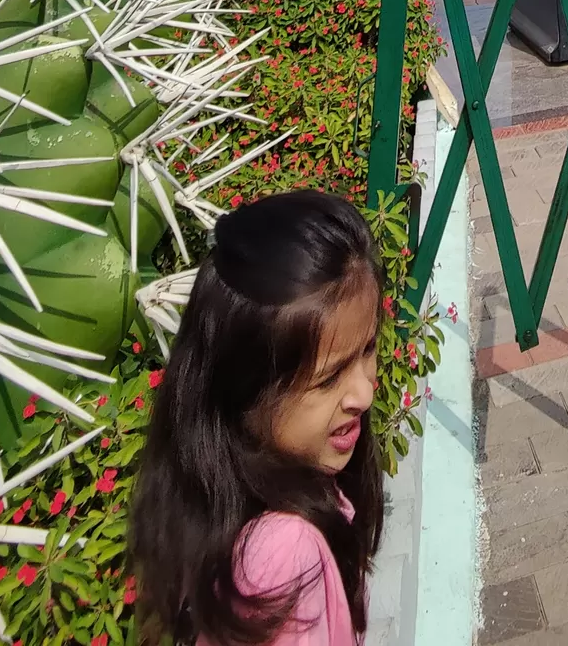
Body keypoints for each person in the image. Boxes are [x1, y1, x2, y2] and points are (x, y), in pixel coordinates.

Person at [131, 189, 385, 645]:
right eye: (328, 380)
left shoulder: (232, 501)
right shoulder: (279, 559)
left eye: (367, 349)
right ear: (245, 390)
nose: (364, 392)